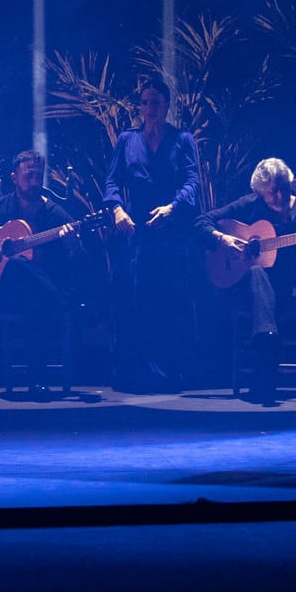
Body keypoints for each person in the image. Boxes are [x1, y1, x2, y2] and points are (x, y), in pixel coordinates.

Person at [0, 149, 88, 393]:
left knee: (31, 290)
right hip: (7, 292)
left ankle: (36, 379)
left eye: (38, 176)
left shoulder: (55, 215)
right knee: (16, 265)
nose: (34, 182)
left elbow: (81, 261)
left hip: (42, 294)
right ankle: (36, 379)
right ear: (14, 178)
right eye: (28, 176)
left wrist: (74, 246)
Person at [199, 158, 296, 405]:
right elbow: (201, 223)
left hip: (292, 294)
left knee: (260, 277)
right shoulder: (251, 206)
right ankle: (268, 341)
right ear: (259, 192)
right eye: (271, 192)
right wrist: (221, 240)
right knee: (257, 272)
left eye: (283, 188)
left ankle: (265, 352)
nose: (278, 196)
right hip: (249, 295)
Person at [102, 76, 201, 386]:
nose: (149, 109)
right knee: (134, 296)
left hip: (169, 227)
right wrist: (117, 209)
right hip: (136, 227)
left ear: (167, 106)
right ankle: (134, 372)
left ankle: (169, 373)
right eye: (144, 103)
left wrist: (173, 208)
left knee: (168, 297)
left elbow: (192, 180)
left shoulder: (182, 139)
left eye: (155, 103)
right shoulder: (127, 139)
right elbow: (112, 181)